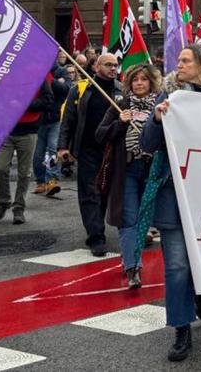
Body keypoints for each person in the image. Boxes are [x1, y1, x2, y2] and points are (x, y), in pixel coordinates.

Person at [141, 44, 201, 362]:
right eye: (179, 60)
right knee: (176, 264)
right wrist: (158, 121)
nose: (179, 64)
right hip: (174, 192)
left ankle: (199, 295)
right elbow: (147, 143)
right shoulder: (169, 96)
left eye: (186, 60)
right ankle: (181, 329)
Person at [95, 63, 162, 289]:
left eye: (144, 79)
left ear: (151, 82)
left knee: (148, 219)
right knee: (128, 219)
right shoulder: (120, 106)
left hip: (153, 171)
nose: (140, 83)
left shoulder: (160, 107)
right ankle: (132, 268)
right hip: (129, 171)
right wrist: (119, 123)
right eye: (135, 80)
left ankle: (134, 259)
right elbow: (100, 134)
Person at [58, 52, 124, 255]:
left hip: (112, 150)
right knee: (90, 192)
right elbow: (68, 120)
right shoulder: (80, 89)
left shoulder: (122, 91)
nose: (113, 68)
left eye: (115, 65)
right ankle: (96, 236)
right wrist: (63, 147)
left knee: (105, 191)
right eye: (108, 65)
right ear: (96, 67)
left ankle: (99, 225)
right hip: (87, 149)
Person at [0, 77, 53, 225]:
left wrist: (23, 104)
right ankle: (4, 200)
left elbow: (48, 101)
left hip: (28, 130)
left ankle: (19, 207)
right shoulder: (4, 75)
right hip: (6, 130)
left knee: (24, 172)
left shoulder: (39, 76)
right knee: (1, 169)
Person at [33, 70, 67, 196]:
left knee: (53, 149)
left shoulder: (60, 71)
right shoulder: (35, 73)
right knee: (38, 153)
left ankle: (52, 179)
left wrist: (51, 80)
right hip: (40, 121)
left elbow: (65, 88)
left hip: (56, 120)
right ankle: (40, 181)